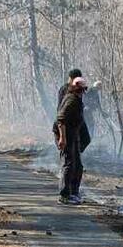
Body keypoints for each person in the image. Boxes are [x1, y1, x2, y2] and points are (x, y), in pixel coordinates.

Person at [53, 75, 90, 204]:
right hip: (66, 135)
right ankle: (64, 195)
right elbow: (61, 119)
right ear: (76, 89)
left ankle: (73, 192)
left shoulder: (76, 99)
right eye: (81, 90)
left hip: (73, 135)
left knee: (78, 166)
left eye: (83, 90)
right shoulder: (71, 100)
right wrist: (62, 138)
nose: (82, 92)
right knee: (69, 164)